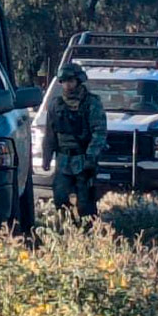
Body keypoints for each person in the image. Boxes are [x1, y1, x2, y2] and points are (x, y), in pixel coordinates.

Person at [41, 64, 107, 220]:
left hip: (83, 159)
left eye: (70, 80)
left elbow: (99, 132)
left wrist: (91, 157)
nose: (67, 85)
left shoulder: (91, 103)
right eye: (64, 81)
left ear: (78, 81)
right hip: (63, 160)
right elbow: (50, 134)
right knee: (60, 200)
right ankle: (67, 233)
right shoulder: (56, 105)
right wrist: (46, 157)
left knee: (86, 205)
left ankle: (87, 234)